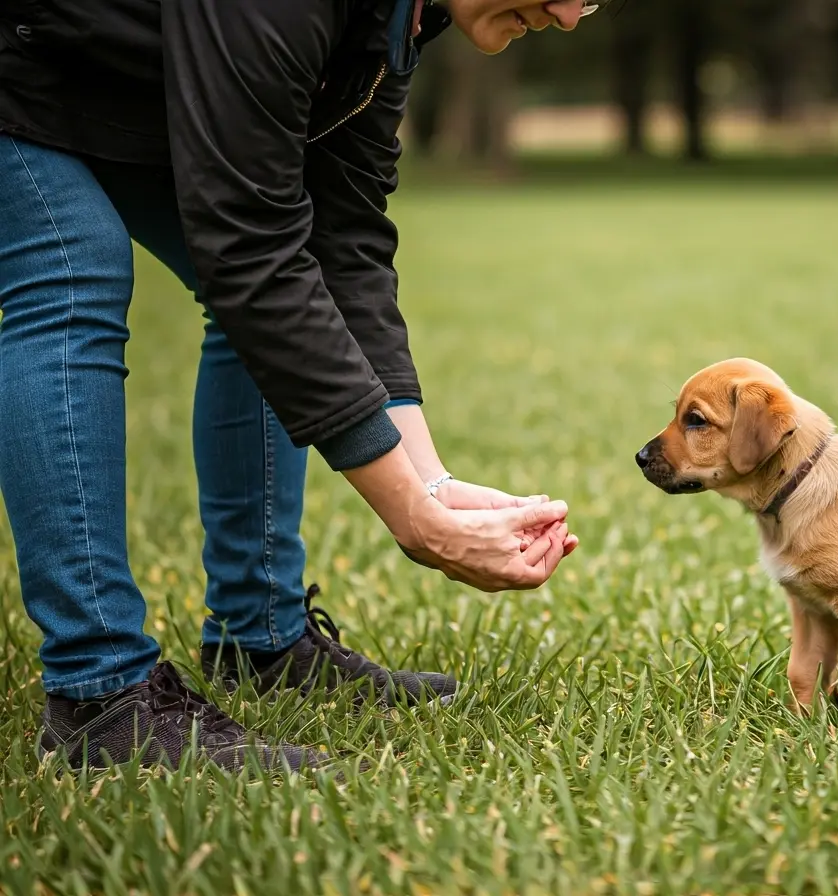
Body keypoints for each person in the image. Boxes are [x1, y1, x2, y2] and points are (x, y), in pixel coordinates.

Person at [0, 0, 593, 773]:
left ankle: (259, 638)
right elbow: (249, 246)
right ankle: (99, 695)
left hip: (99, 92)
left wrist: (431, 482)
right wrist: (411, 518)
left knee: (285, 295)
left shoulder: (401, 20)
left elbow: (341, 240)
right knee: (75, 270)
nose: (573, 12)